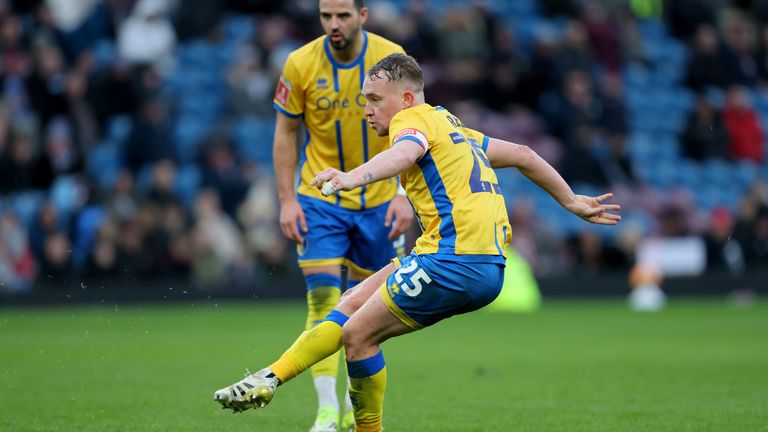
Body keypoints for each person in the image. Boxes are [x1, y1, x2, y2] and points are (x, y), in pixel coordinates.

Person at [215, 53, 621, 431]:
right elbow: (523, 152)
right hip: (469, 259)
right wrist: (570, 201)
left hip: (455, 260)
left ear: (406, 98)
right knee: (350, 303)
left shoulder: (410, 123)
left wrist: (352, 177)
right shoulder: (449, 124)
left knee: (358, 336)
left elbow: (405, 153)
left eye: (374, 99)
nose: (367, 109)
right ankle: (269, 377)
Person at [270, 1, 413, 431]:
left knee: (370, 310)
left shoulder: (391, 60)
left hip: (381, 198)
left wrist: (405, 194)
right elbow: (285, 131)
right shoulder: (299, 63)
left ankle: (355, 407)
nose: (334, 24)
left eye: (343, 15)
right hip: (320, 196)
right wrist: (286, 201)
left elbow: (415, 128)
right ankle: (326, 411)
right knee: (323, 301)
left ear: (363, 15)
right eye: (326, 16)